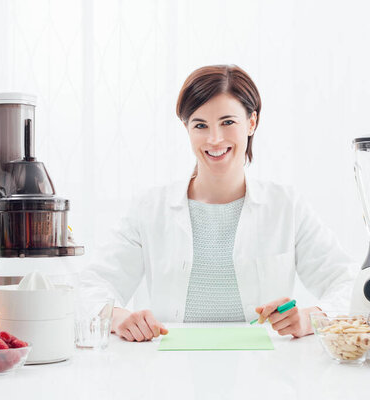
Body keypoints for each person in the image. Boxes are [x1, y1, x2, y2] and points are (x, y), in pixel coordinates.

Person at [80, 65, 354, 342]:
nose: (214, 139)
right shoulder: (150, 209)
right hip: (170, 371)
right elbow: (91, 285)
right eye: (200, 125)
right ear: (186, 128)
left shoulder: (285, 206)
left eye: (227, 122)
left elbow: (348, 283)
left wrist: (312, 318)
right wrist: (118, 317)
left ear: (251, 122)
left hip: (266, 371)